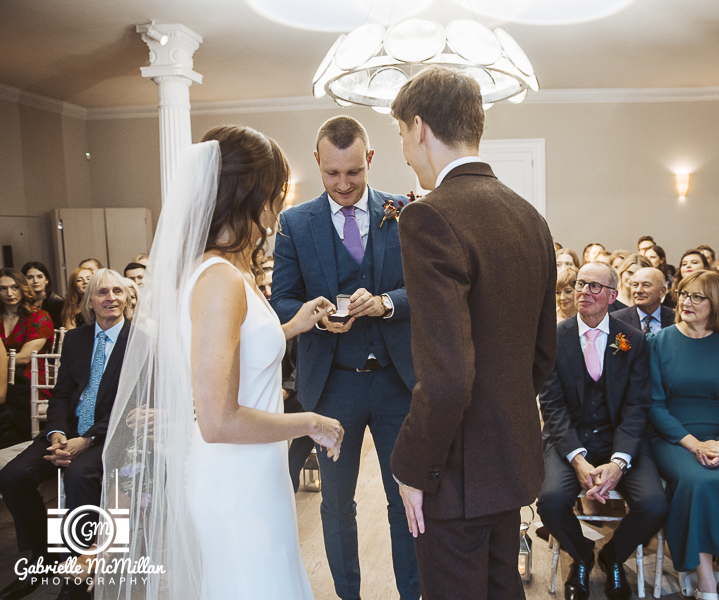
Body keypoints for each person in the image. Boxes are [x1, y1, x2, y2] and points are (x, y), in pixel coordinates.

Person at [99, 127, 344, 600]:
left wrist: (290, 327)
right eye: (274, 192)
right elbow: (217, 420)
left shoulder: (228, 270)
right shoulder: (219, 280)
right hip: (236, 480)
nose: (277, 207)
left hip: (256, 469)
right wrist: (311, 422)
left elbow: (238, 353)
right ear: (248, 194)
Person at [389, 65, 557, 600]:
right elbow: (542, 356)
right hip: (508, 461)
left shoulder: (428, 217)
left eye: (401, 134)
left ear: (419, 128)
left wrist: (413, 467)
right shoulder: (530, 217)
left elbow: (447, 379)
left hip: (455, 470)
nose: (405, 152)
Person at [270, 115, 419, 600]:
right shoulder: (295, 223)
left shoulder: (403, 210)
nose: (343, 184)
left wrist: (386, 302)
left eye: (354, 172)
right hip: (332, 384)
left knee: (406, 497)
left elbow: (424, 288)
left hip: (397, 382)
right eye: (332, 173)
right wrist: (314, 317)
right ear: (317, 162)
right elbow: (282, 299)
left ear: (369, 158)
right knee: (336, 504)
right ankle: (347, 595)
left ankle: (412, 594)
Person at [0, 269, 133, 600]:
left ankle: (78, 575)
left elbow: (130, 404)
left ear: (127, 298)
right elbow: (61, 394)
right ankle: (43, 554)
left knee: (78, 475)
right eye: (102, 292)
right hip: (67, 429)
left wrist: (87, 439)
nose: (111, 298)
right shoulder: (76, 339)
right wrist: (57, 432)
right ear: (89, 301)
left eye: (117, 291)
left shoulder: (139, 342)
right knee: (13, 475)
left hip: (108, 434)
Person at [538, 262, 668, 600]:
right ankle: (581, 556)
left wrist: (618, 462)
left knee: (654, 505)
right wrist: (578, 460)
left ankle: (613, 556)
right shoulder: (554, 338)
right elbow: (552, 406)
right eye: (581, 284)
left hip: (620, 442)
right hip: (569, 441)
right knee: (550, 502)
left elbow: (637, 406)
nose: (584, 291)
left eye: (594, 286)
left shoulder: (633, 340)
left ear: (612, 296)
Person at [648, 271, 719, 596]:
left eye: (697, 296)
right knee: (697, 481)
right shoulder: (658, 342)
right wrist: (696, 445)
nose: (686, 301)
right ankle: (706, 578)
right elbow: (654, 404)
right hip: (675, 437)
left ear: (717, 303)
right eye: (684, 293)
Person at [0, 268, 53, 390]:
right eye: (3, 288)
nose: (9, 293)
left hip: (28, 380)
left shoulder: (39, 317)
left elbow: (24, 358)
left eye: (15, 287)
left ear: (23, 288)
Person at [612, 267, 675, 334]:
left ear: (662, 291)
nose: (638, 290)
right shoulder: (616, 320)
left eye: (646, 285)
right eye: (635, 285)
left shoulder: (676, 319)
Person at [22, 261, 64, 330]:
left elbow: (57, 327)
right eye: (30, 278)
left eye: (39, 277)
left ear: (46, 280)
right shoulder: (20, 302)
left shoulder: (58, 302)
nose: (35, 281)